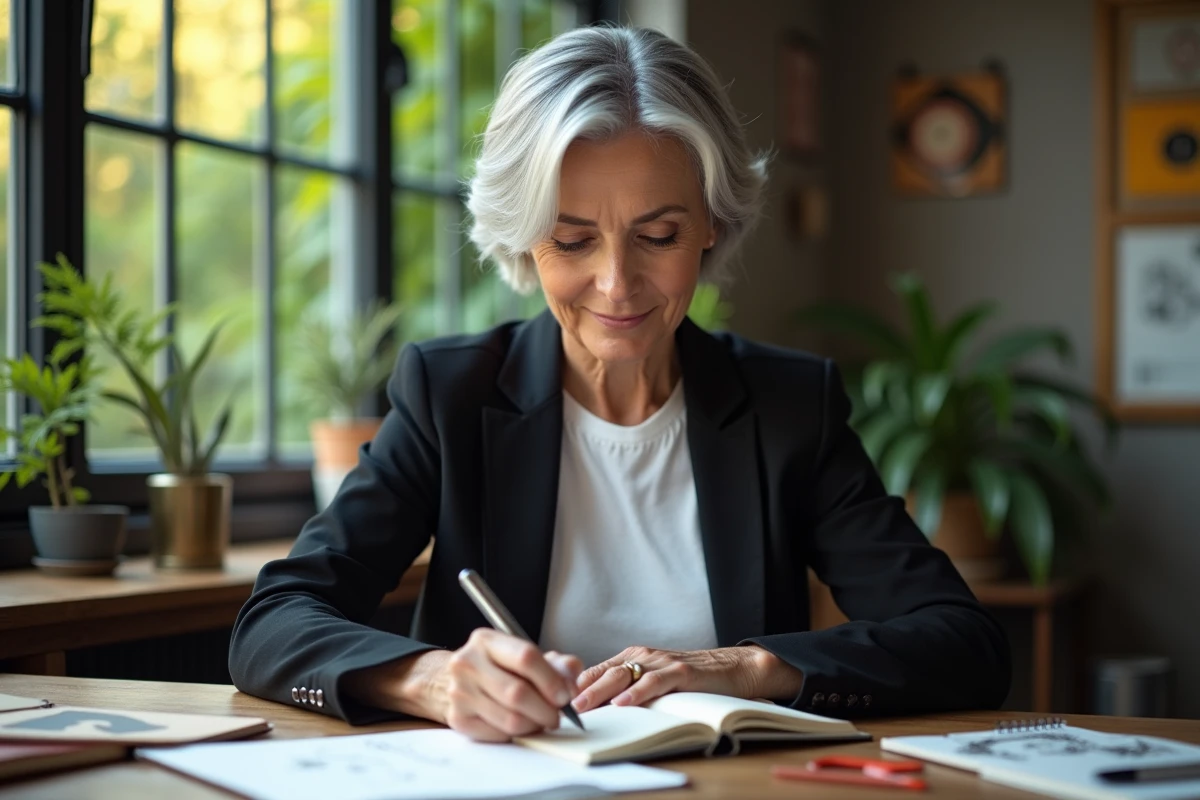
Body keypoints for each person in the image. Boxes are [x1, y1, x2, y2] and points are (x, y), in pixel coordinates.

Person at [229, 26, 1010, 743]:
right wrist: (430, 679)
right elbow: (273, 624)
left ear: (711, 225)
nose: (616, 284)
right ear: (525, 240)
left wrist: (748, 667)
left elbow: (961, 642)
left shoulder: (786, 408)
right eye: (572, 241)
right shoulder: (451, 395)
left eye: (658, 235)